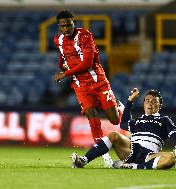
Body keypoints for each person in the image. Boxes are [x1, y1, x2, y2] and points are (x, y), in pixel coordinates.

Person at [53, 10, 124, 167]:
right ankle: (105, 155)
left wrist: (65, 74)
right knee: (91, 115)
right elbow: (62, 57)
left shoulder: (85, 36)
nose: (66, 29)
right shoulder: (58, 40)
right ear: (59, 27)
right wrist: (62, 66)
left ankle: (120, 108)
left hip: (98, 81)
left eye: (69, 25)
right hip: (80, 85)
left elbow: (87, 63)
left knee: (114, 120)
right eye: (63, 26)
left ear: (74, 23)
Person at [70, 88, 176, 169]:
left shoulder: (164, 120)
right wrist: (130, 101)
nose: (150, 103)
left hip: (149, 155)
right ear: (143, 104)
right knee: (114, 135)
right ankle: (83, 160)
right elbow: (123, 124)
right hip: (130, 150)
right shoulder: (137, 120)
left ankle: (131, 167)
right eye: (148, 100)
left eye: (154, 101)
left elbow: (175, 136)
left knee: (172, 158)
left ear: (159, 106)